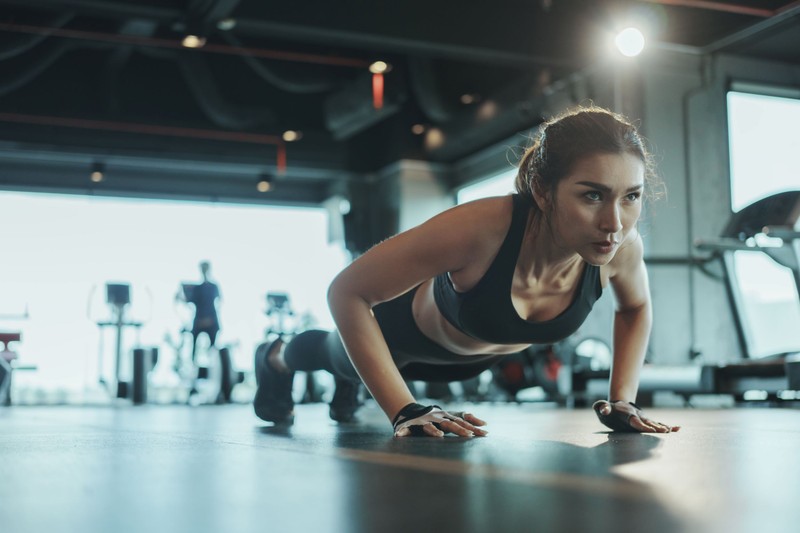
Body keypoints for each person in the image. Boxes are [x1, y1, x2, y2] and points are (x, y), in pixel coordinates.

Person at [254, 105, 680, 437]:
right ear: (542, 191)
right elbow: (346, 291)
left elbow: (636, 307)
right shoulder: (482, 227)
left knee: (349, 373)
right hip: (396, 339)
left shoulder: (621, 246)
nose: (615, 222)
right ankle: (272, 358)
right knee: (329, 356)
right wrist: (405, 410)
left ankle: (349, 386)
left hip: (468, 362)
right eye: (592, 195)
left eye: (631, 196)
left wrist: (623, 400)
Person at [181, 261, 221, 362]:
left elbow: (219, 301)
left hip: (211, 320)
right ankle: (193, 366)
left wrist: (209, 319)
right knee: (193, 347)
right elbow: (190, 301)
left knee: (213, 349)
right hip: (199, 320)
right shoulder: (197, 288)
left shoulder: (213, 286)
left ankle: (213, 365)